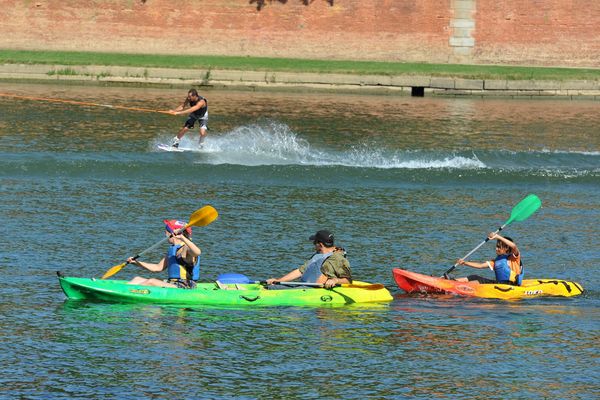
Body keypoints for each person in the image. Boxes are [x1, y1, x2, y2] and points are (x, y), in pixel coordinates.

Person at [127, 219, 202, 288]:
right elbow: (158, 268)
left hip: (185, 285)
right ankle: (124, 291)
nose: (165, 233)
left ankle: (129, 294)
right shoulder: (173, 249)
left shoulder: (186, 248)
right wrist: (136, 263)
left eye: (166, 231)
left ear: (172, 233)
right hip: (173, 283)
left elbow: (197, 252)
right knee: (137, 279)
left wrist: (182, 238)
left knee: (151, 281)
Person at [266, 230, 352, 289]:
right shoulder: (318, 255)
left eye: (315, 242)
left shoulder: (338, 258)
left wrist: (335, 280)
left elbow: (347, 280)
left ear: (320, 244)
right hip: (303, 287)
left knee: (271, 289)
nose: (314, 245)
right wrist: (278, 281)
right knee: (269, 286)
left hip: (315, 290)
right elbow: (300, 271)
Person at [455, 233, 524, 285]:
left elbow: (513, 246)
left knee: (479, 282)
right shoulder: (496, 261)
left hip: (511, 285)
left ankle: (459, 287)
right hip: (499, 284)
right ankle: (453, 281)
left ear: (506, 248)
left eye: (499, 247)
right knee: (473, 277)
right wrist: (464, 263)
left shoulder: (514, 257)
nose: (496, 249)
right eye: (496, 246)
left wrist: (497, 236)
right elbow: (480, 265)